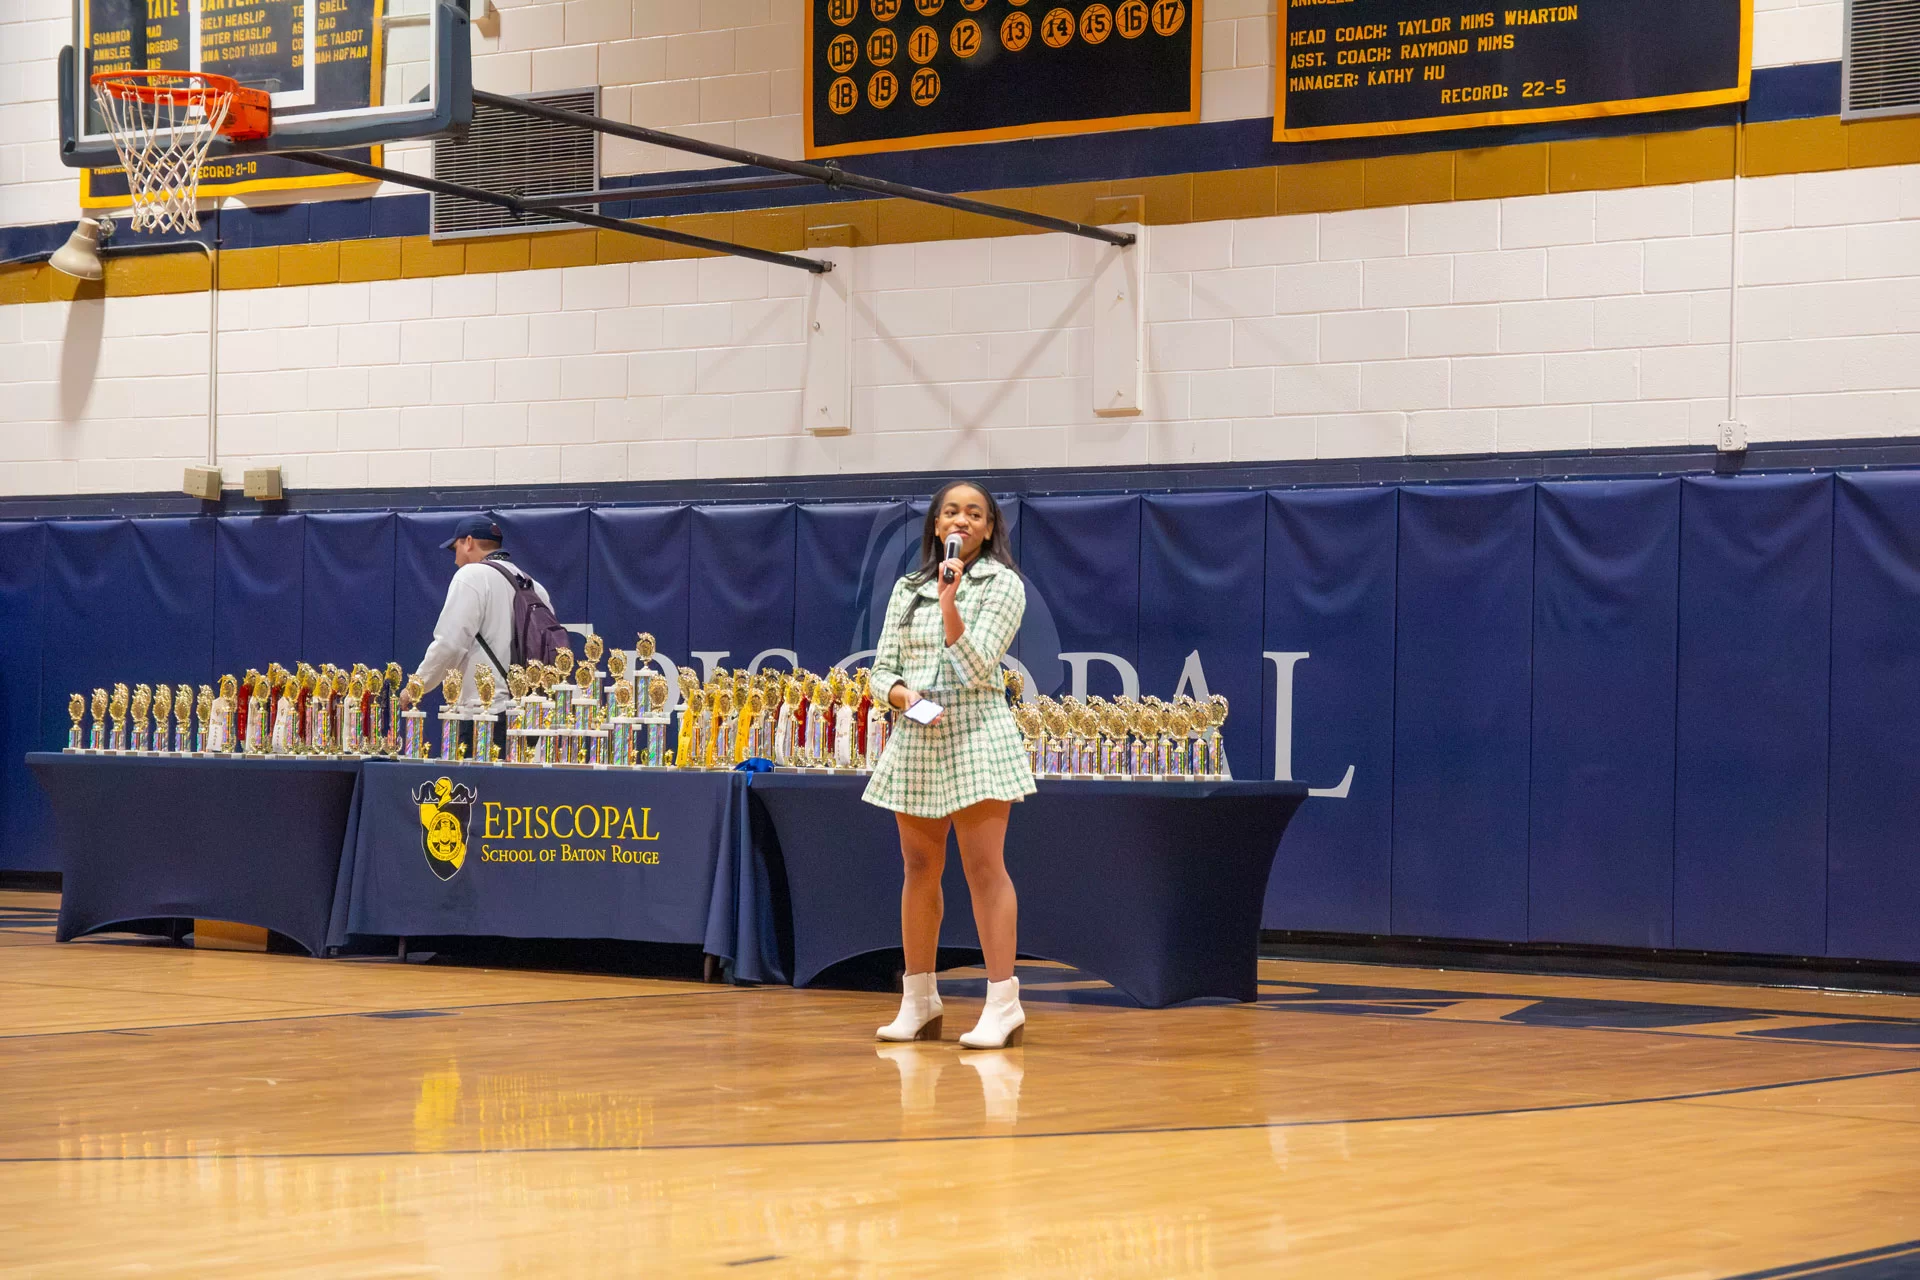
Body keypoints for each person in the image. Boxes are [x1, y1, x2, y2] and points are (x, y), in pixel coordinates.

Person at [865, 481, 1036, 1049]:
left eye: (975, 513)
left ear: (988, 529)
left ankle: (1002, 1003)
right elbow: (879, 669)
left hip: (978, 736)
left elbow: (977, 665)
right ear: (937, 525)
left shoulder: (1002, 585)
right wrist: (906, 699)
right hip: (917, 737)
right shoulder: (906, 588)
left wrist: (949, 602)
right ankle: (919, 1000)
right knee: (919, 868)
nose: (961, 519)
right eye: (951, 511)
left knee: (984, 869)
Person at [401, 514, 556, 720]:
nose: (455, 559)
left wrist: (416, 685)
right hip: (530, 713)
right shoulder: (534, 585)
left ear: (468, 542)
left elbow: (450, 644)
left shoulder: (471, 575)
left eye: (455, 548)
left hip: (485, 713)